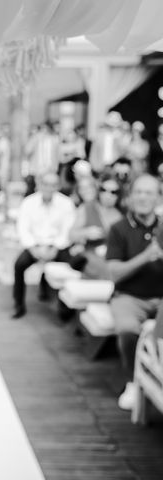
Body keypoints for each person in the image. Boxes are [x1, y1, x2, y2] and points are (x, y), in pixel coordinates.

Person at [106, 174, 163, 410]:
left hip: (160, 299)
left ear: (158, 197)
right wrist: (145, 257)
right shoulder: (119, 229)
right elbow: (114, 273)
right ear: (130, 197)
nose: (143, 197)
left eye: (149, 192)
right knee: (128, 330)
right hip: (129, 297)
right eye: (138, 192)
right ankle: (132, 380)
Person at [12, 172, 76, 319]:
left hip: (57, 246)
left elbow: (67, 230)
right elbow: (23, 228)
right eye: (45, 184)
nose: (49, 188)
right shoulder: (28, 202)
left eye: (53, 185)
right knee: (19, 265)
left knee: (70, 267)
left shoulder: (66, 203)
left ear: (58, 186)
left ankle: (65, 309)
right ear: (39, 185)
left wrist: (55, 248)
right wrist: (33, 249)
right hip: (35, 246)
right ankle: (19, 305)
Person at [68, 176, 122, 279]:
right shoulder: (87, 208)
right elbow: (71, 235)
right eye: (103, 190)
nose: (107, 195)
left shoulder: (121, 216)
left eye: (113, 192)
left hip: (111, 260)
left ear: (119, 195)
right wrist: (86, 233)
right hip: (90, 258)